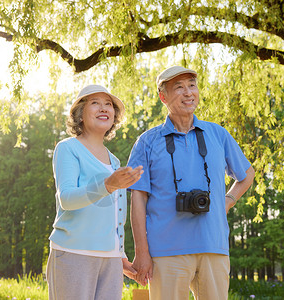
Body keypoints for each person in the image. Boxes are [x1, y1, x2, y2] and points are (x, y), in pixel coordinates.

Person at [127, 66, 255, 300]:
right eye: (179, 87)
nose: (188, 93)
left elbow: (246, 175)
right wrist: (141, 251)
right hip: (166, 252)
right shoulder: (146, 142)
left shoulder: (218, 134)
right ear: (163, 96)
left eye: (192, 86)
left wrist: (227, 202)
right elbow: (137, 199)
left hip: (213, 246)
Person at [46, 84, 143, 300]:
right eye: (95, 103)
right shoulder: (68, 148)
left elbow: (116, 216)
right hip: (74, 254)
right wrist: (107, 185)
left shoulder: (115, 161)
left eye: (108, 104)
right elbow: (67, 199)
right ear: (80, 114)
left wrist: (120, 255)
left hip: (110, 261)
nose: (104, 108)